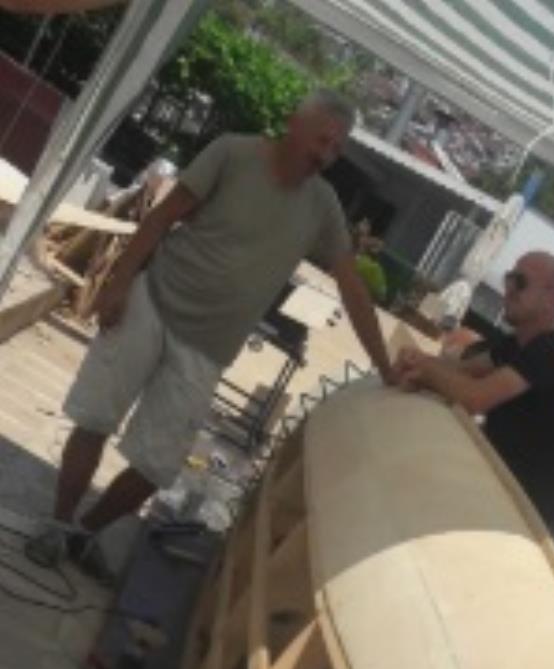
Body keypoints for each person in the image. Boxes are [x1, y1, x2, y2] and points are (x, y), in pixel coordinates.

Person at [27, 90, 393, 579]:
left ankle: (83, 532)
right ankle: (57, 522)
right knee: (95, 419)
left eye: (336, 149)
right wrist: (119, 282)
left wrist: (387, 368)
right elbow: (162, 216)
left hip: (209, 347)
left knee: (157, 466)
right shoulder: (233, 153)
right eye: (322, 140)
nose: (326, 155)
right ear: (294, 123)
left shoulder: (322, 205)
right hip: (154, 302)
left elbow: (352, 288)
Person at [394, 251, 554, 552]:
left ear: (551, 297)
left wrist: (425, 369)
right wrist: (418, 363)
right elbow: (459, 371)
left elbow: (475, 398)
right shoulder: (516, 345)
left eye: (520, 282)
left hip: (535, 528)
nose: (508, 289)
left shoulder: (551, 353)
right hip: (506, 501)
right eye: (509, 278)